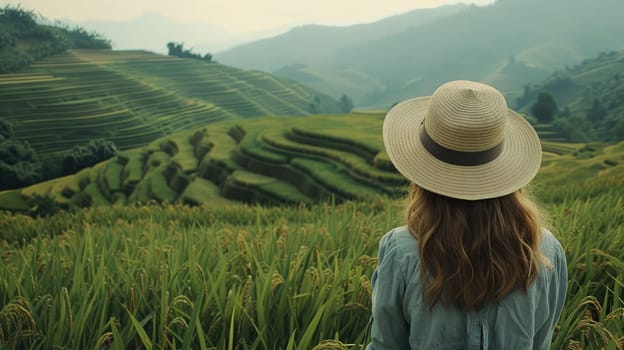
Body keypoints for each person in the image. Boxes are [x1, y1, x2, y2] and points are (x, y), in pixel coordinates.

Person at [366, 80, 568, 349]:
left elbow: (387, 345)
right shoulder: (545, 251)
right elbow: (541, 341)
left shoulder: (402, 251)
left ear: (421, 176)